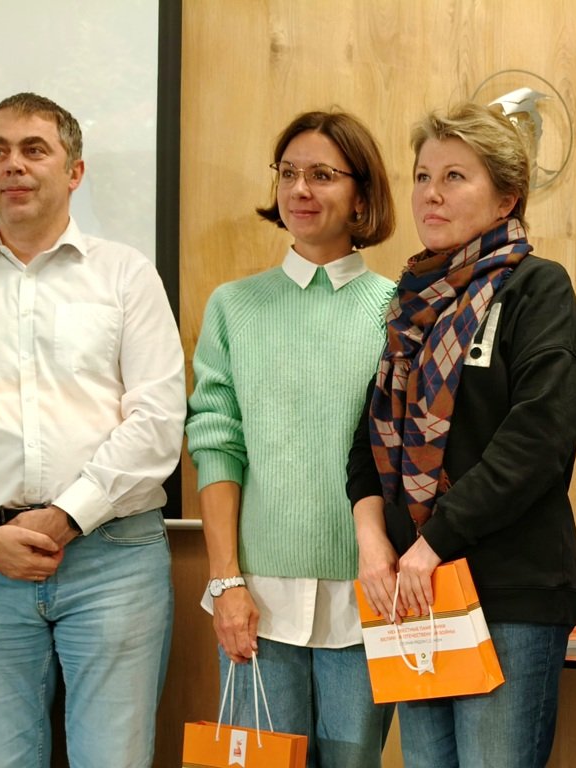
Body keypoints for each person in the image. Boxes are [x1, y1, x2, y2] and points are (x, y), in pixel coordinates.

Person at [0, 93, 185, 767]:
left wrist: (67, 516)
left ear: (74, 171)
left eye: (33, 149)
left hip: (113, 560)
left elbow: (158, 420)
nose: (12, 165)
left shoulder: (126, 276)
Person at [347, 102, 576, 768]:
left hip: (507, 594)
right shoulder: (409, 304)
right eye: (422, 176)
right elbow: (368, 441)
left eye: (455, 177)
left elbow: (537, 442)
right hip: (415, 593)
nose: (430, 193)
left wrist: (434, 541)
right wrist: (373, 543)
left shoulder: (537, 289)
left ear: (506, 199)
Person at [185, 109, 396, 768]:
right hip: (256, 598)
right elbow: (217, 444)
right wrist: (225, 582)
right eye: (289, 173)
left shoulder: (399, 309)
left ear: (361, 195)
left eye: (322, 175)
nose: (300, 189)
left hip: (368, 598)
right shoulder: (234, 306)